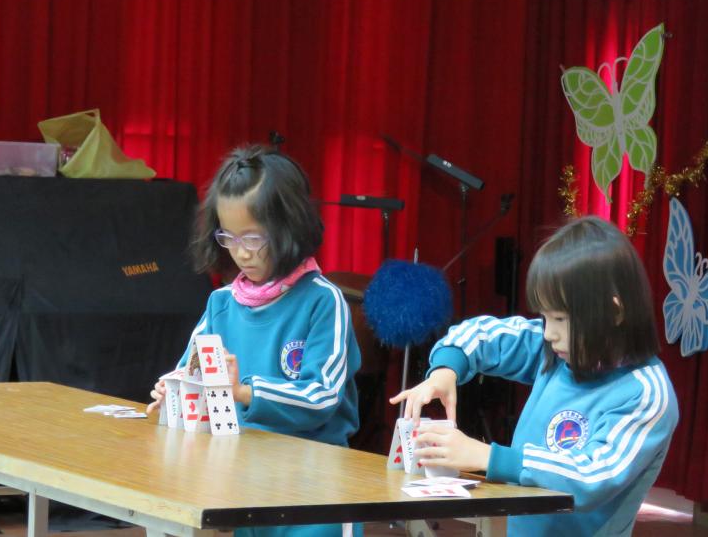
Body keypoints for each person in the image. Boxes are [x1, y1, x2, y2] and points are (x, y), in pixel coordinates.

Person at [390, 216, 679, 536]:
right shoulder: (557, 350)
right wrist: (445, 370)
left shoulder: (645, 393)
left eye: (560, 319)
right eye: (544, 317)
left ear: (613, 313)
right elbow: (481, 334)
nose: (549, 333)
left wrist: (489, 457)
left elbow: (591, 477)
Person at [147, 144, 361, 537]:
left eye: (253, 238)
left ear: (289, 228)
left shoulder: (323, 301)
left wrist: (244, 392)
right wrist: (172, 392)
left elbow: (321, 397)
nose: (241, 253)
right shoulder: (221, 303)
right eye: (228, 237)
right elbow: (189, 371)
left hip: (317, 489)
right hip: (244, 484)